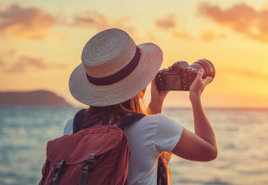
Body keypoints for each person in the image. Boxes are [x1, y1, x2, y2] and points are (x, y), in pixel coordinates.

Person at [63, 28, 218, 185]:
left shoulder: (73, 127)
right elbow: (209, 151)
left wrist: (156, 102)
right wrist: (195, 98)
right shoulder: (156, 127)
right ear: (140, 82)